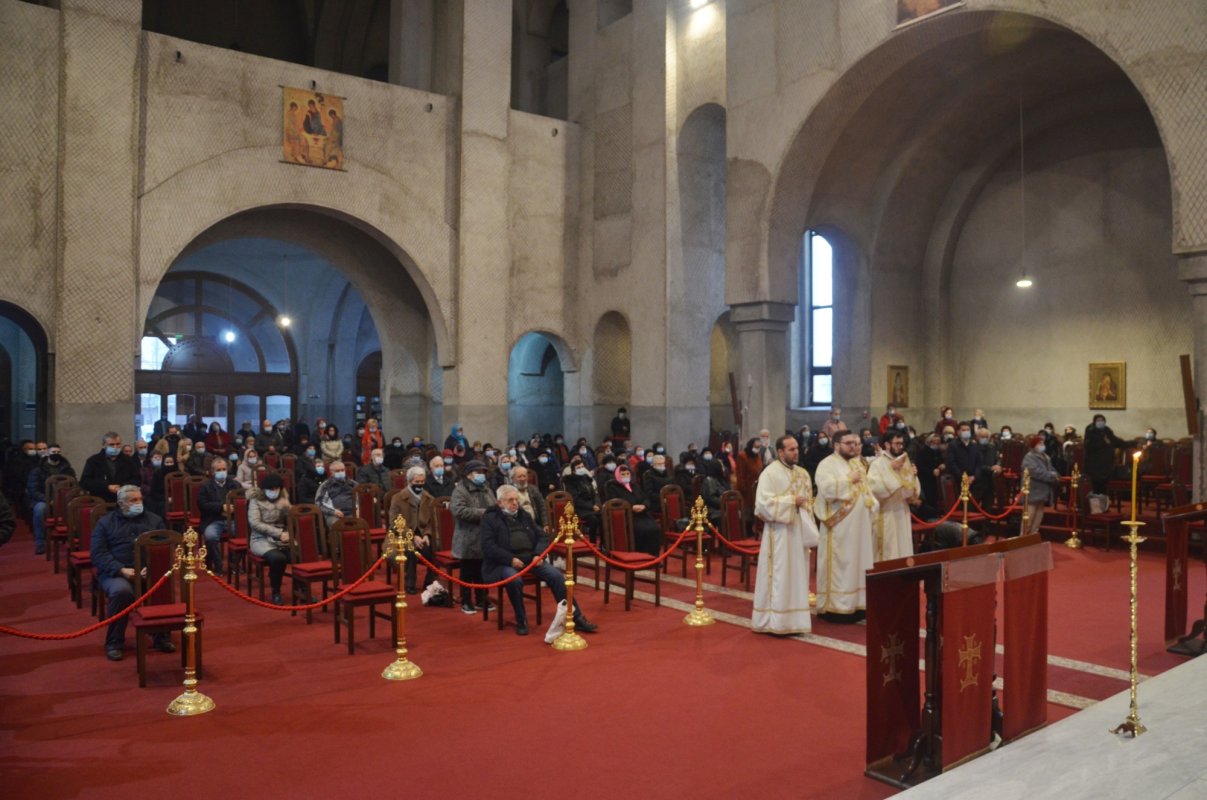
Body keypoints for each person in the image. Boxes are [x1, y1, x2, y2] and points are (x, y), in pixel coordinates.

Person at [480, 485, 598, 637]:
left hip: (531, 558)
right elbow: (488, 546)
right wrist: (510, 559)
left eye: (516, 499)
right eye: (510, 500)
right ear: (500, 502)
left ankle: (576, 617)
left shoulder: (524, 515)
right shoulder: (489, 519)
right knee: (514, 580)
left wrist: (538, 554)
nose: (515, 503)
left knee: (557, 577)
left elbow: (542, 536)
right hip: (504, 562)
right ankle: (521, 619)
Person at [90, 485, 172, 661]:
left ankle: (161, 635)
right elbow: (98, 553)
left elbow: (164, 547)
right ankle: (114, 641)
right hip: (116, 572)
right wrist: (121, 570)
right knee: (122, 592)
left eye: (140, 499)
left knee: (162, 584)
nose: (139, 503)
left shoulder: (154, 520)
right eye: (133, 500)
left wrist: (152, 566)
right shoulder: (105, 523)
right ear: (121, 503)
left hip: (147, 570)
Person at [751, 435, 818, 635]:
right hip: (778, 534)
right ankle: (775, 621)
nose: (796, 452)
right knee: (779, 576)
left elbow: (809, 503)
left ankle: (796, 621)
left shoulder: (803, 474)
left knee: (798, 575)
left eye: (797, 448)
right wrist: (791, 502)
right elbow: (761, 505)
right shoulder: (769, 473)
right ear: (780, 452)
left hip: (798, 533)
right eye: (791, 449)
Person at [813, 430, 878, 624]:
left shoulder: (858, 463)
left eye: (856, 443)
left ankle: (859, 604)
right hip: (840, 527)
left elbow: (866, 490)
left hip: (860, 526)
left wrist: (873, 504)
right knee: (843, 564)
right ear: (837, 445)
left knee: (860, 562)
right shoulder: (826, 465)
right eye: (849, 443)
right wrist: (849, 479)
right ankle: (837, 608)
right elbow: (827, 490)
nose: (854, 446)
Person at [450, 459, 496, 614]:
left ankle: (481, 599)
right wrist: (483, 513)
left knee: (481, 570)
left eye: (483, 472)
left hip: (484, 536)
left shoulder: (486, 488)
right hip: (467, 537)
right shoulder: (460, 490)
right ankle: (466, 600)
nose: (481, 475)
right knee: (467, 572)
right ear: (469, 474)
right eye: (478, 472)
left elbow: (494, 505)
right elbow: (459, 511)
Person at [867, 431, 920, 562]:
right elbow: (875, 489)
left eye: (901, 443)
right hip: (886, 512)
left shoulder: (904, 462)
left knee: (903, 547)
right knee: (888, 549)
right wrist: (892, 471)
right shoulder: (878, 464)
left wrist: (913, 476)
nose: (900, 446)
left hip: (902, 510)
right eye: (896, 443)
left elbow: (913, 492)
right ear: (887, 444)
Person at [386, 466, 438, 594]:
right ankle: (410, 583)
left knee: (434, 548)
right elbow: (394, 522)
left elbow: (432, 521)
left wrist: (427, 534)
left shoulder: (429, 498)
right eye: (417, 482)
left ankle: (429, 581)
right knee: (409, 550)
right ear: (409, 482)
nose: (420, 485)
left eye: (422, 482)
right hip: (400, 536)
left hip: (422, 535)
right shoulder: (397, 498)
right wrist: (412, 536)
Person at [247, 472, 292, 605]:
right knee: (278, 558)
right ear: (264, 490)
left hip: (283, 537)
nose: (274, 491)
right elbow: (255, 523)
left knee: (299, 555)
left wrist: (288, 510)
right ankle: (276, 591)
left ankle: (301, 589)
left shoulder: (283, 498)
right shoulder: (255, 500)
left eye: (277, 489)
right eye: (271, 489)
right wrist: (278, 533)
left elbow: (291, 519)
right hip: (261, 538)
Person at [602, 463, 660, 555]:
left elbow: (646, 498)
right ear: (617, 475)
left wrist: (644, 506)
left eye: (627, 474)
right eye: (623, 474)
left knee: (655, 528)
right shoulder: (613, 488)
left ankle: (653, 556)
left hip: (642, 514)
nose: (626, 476)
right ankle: (640, 555)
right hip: (627, 517)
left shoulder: (635, 486)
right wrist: (631, 507)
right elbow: (615, 504)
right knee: (641, 529)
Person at [28, 444, 75, 555]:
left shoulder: (68, 469)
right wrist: (48, 499)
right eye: (53, 452)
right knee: (39, 510)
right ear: (48, 453)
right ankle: (40, 542)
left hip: (64, 500)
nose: (56, 454)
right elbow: (33, 489)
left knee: (76, 508)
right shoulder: (38, 470)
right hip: (44, 499)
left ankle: (74, 540)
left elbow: (73, 486)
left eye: (58, 452)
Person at [197, 457, 241, 574]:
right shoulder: (205, 486)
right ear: (213, 472)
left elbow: (242, 501)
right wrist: (221, 507)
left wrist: (234, 508)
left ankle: (234, 564)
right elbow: (203, 505)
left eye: (224, 469)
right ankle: (218, 565)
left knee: (243, 535)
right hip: (213, 520)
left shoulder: (235, 484)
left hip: (232, 519)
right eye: (219, 469)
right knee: (210, 537)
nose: (222, 472)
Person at [80, 432, 142, 503]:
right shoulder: (94, 461)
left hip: (125, 500)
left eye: (118, 444)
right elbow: (85, 482)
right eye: (111, 445)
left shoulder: (128, 460)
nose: (115, 447)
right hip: (100, 501)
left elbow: (137, 479)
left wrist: (122, 486)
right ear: (104, 445)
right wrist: (107, 487)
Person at [1020, 435, 1060, 536]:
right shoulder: (1029, 457)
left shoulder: (1045, 457)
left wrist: (1056, 475)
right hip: (1032, 492)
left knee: (1037, 521)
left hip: (1043, 493)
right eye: (1040, 443)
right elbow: (1035, 472)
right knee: (1028, 520)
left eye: (1043, 443)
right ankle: (1022, 539)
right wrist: (1051, 476)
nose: (1042, 445)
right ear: (1034, 445)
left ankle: (1032, 539)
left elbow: (1051, 469)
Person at [1084, 414, 1128, 495]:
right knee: (1096, 488)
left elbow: (1116, 442)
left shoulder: (1107, 431)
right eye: (1098, 420)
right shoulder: (1090, 431)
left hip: (1106, 465)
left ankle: (1103, 503)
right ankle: (1096, 504)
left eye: (1102, 420)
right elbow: (1089, 446)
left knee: (1104, 488)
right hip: (1095, 465)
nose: (1100, 422)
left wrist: (1133, 444)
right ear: (1094, 422)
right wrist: (1103, 442)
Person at [315, 460, 357, 530]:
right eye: (337, 471)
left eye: (342, 470)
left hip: (353, 512)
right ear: (331, 473)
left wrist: (358, 508)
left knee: (363, 520)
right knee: (337, 525)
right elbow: (318, 503)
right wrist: (333, 511)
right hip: (335, 514)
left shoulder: (353, 483)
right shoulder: (325, 486)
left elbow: (362, 494)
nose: (341, 472)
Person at [508, 466, 547, 530]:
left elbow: (542, 507)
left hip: (536, 524)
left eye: (524, 476)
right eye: (519, 477)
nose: (522, 479)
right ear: (512, 479)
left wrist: (546, 524)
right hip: (518, 527)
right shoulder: (509, 492)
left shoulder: (533, 489)